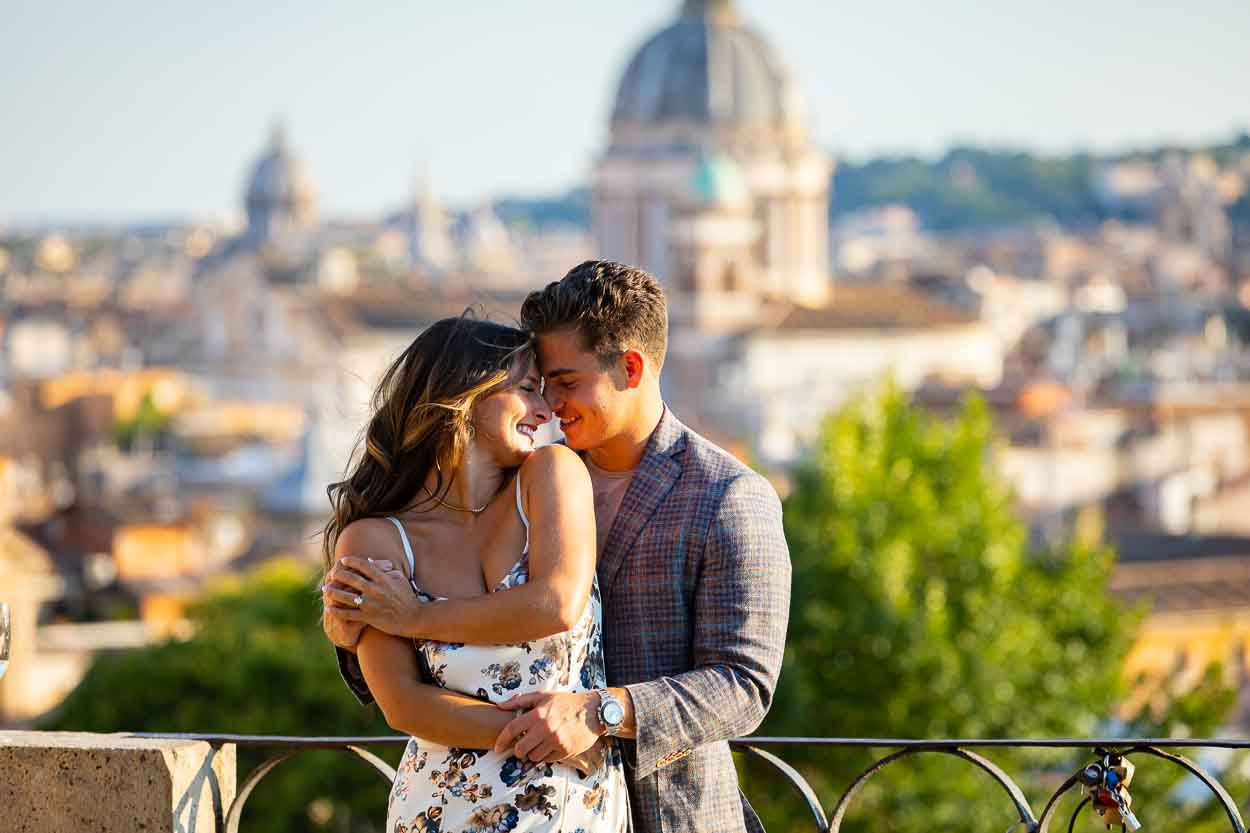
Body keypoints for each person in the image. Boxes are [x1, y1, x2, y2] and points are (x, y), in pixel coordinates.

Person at [326, 260, 791, 833]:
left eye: (566, 382)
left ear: (631, 367)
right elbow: (430, 644)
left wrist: (602, 712)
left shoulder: (729, 496)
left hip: (671, 812)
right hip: (486, 798)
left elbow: (744, 685)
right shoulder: (521, 479)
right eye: (539, 385)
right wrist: (356, 634)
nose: (550, 404)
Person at [321, 314, 628, 833]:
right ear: (466, 392)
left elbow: (554, 605)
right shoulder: (374, 540)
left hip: (571, 809)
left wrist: (415, 616)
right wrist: (544, 735)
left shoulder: (551, 474)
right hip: (445, 809)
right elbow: (403, 704)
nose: (544, 408)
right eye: (527, 388)